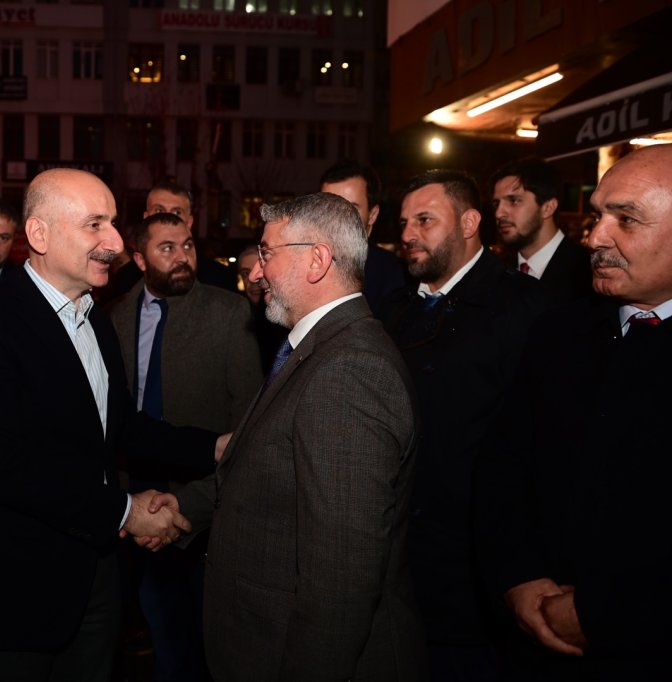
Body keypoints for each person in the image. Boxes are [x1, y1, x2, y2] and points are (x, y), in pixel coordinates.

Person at [0, 168, 220, 682]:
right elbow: (5, 467)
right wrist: (126, 511)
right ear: (39, 234)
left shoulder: (94, 317)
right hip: (13, 591)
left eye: (111, 223)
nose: (115, 243)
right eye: (95, 225)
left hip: (95, 578)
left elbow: (120, 427)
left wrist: (214, 448)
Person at [169, 192, 424, 680]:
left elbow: (341, 580)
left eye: (267, 253)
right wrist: (183, 508)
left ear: (317, 259)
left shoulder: (349, 369)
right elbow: (263, 471)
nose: (255, 272)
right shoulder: (315, 347)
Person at [478, 144, 672, 680]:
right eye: (598, 216)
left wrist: (603, 613)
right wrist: (517, 580)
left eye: (625, 219)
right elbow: (502, 467)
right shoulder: (557, 332)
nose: (594, 237)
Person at [380, 170, 547, 680]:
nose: (409, 234)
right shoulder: (393, 310)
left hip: (477, 572)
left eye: (425, 220)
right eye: (404, 222)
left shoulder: (525, 307)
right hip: (397, 560)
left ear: (470, 223)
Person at [108, 211, 262, 681]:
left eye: (188, 245)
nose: (182, 257)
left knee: (202, 644)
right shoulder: (113, 317)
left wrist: (204, 501)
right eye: (167, 248)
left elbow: (249, 426)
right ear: (139, 259)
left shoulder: (228, 313)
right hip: (131, 501)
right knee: (155, 632)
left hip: (202, 506)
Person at [111, 180, 238, 297]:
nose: (168, 218)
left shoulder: (220, 279)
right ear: (146, 217)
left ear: (189, 222)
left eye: (177, 212)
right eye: (159, 210)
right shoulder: (125, 279)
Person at [490, 157, 592, 301]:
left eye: (514, 201)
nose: (499, 213)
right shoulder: (496, 271)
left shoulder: (589, 272)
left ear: (548, 208)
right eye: (496, 204)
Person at [319, 160, 407, 317]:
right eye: (329, 207)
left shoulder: (393, 276)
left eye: (351, 208)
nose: (337, 217)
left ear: (372, 215)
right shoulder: (299, 263)